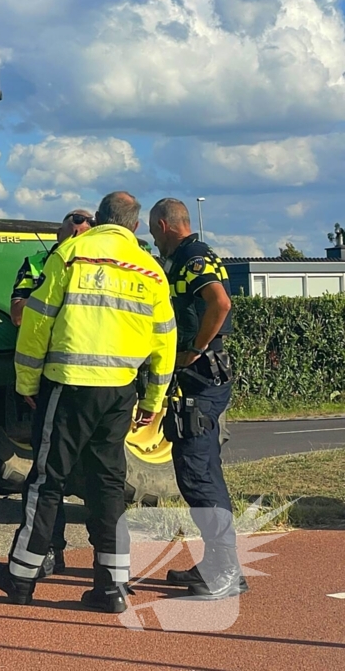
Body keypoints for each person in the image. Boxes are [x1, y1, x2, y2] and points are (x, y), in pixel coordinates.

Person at [0, 191, 176, 613]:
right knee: (108, 483)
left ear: (100, 218)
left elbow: (37, 321)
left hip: (68, 384)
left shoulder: (71, 253)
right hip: (120, 390)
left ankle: (21, 576)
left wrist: (27, 382)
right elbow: (165, 340)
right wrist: (154, 397)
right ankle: (112, 586)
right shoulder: (151, 269)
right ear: (135, 226)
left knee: (47, 479)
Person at [149, 197, 245, 600]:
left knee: (199, 474)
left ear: (165, 225)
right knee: (197, 471)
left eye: (154, 232)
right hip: (197, 380)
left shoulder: (192, 257)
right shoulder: (190, 256)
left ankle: (226, 571)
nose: (153, 241)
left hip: (202, 378)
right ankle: (217, 564)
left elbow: (220, 302)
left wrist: (197, 348)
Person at [9, 208, 94, 577]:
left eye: (84, 228)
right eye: (70, 226)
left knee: (98, 476)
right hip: (50, 378)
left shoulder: (101, 264)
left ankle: (105, 563)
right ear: (60, 230)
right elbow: (17, 312)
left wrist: (50, 306)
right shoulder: (37, 262)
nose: (76, 231)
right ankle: (47, 553)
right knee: (46, 473)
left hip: (94, 381)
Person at [11, 209, 94, 327]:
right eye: (73, 238)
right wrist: (47, 288)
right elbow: (17, 317)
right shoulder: (34, 263)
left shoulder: (101, 266)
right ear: (59, 235)